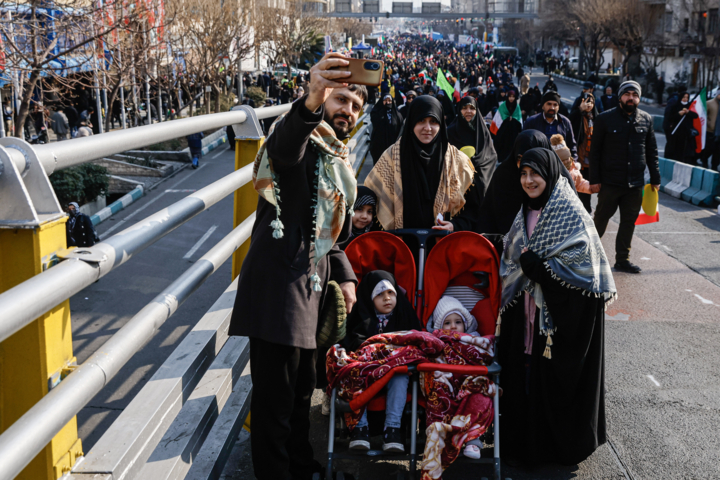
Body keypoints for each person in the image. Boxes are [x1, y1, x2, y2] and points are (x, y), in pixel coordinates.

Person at [228, 52, 363, 480]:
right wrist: (310, 99)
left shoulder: (336, 159)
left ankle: (303, 469)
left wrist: (345, 276)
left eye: (356, 106)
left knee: (301, 395)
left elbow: (331, 237)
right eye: (341, 100)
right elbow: (285, 149)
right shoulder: (301, 140)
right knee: (276, 406)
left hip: (310, 293)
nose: (348, 112)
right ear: (323, 100)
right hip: (279, 295)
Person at [498, 147, 616, 466]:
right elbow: (512, 258)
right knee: (527, 376)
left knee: (553, 380)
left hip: (560, 317)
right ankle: (526, 442)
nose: (528, 180)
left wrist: (546, 272)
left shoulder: (569, 211)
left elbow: (587, 273)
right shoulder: (523, 212)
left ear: (550, 174)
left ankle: (556, 447)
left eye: (535, 173)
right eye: (523, 173)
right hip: (527, 311)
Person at [364, 96, 478, 233]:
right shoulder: (390, 158)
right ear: (411, 122)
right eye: (421, 120)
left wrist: (455, 225)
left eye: (433, 121)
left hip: (443, 246)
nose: (427, 128)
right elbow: (374, 204)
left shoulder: (459, 162)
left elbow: (473, 211)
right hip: (401, 246)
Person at [343, 271, 422, 453]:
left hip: (394, 370)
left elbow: (415, 339)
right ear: (369, 298)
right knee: (353, 372)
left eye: (390, 293)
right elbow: (352, 341)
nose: (387, 299)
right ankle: (359, 428)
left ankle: (393, 429)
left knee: (401, 376)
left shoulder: (404, 315)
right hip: (367, 370)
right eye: (379, 294)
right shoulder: (360, 318)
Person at [590, 81, 660, 274]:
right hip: (610, 182)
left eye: (635, 95)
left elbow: (652, 151)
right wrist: (594, 180)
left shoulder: (646, 119)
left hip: (636, 183)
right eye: (627, 94)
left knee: (628, 223)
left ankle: (622, 259)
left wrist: (656, 179)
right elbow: (594, 152)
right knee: (601, 219)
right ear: (620, 97)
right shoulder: (604, 119)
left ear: (638, 98)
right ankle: (587, 255)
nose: (631, 98)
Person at [476, 130, 576, 238]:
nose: (525, 164)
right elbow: (489, 222)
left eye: (533, 159)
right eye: (520, 158)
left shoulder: (561, 185)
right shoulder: (504, 176)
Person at [429, 295, 484, 459]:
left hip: (468, 380)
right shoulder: (436, 341)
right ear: (440, 326)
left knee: (479, 394)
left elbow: (483, 356)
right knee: (437, 391)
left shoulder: (474, 340)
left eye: (458, 322)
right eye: (447, 322)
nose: (453, 326)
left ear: (465, 325)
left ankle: (473, 439)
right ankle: (440, 438)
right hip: (446, 380)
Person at [447, 96, 498, 205]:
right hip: (457, 180)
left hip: (480, 178)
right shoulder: (451, 131)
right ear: (459, 110)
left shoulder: (482, 130)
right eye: (464, 108)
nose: (468, 111)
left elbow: (491, 155)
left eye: (472, 108)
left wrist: (475, 163)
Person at [523, 90, 578, 160]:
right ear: (543, 106)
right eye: (549, 104)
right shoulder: (531, 122)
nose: (552, 107)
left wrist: (574, 162)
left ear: (558, 107)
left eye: (555, 105)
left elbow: (572, 146)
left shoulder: (565, 122)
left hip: (560, 165)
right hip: (538, 164)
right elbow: (524, 145)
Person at [569, 93, 598, 212]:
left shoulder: (596, 118)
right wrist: (580, 110)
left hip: (591, 158)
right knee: (576, 184)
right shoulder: (577, 116)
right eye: (586, 102)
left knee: (588, 185)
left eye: (591, 102)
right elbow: (572, 128)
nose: (589, 105)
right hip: (579, 157)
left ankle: (586, 209)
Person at [369, 94, 404, 165]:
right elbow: (375, 122)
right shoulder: (376, 112)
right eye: (385, 100)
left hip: (393, 146)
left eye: (389, 101)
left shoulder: (397, 115)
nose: (387, 103)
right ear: (382, 101)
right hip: (379, 145)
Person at [491, 88, 523, 163]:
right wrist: (507, 119)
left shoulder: (517, 106)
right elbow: (498, 118)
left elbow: (519, 120)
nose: (511, 98)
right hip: (503, 132)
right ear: (507, 97)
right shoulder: (502, 106)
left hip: (513, 132)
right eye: (510, 96)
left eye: (513, 97)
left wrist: (513, 120)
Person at [667, 92, 698, 164]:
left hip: (686, 133)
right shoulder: (675, 106)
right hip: (676, 131)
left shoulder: (690, 106)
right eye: (684, 97)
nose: (685, 99)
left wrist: (688, 112)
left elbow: (696, 115)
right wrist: (678, 114)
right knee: (675, 148)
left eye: (687, 97)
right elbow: (670, 118)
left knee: (684, 149)